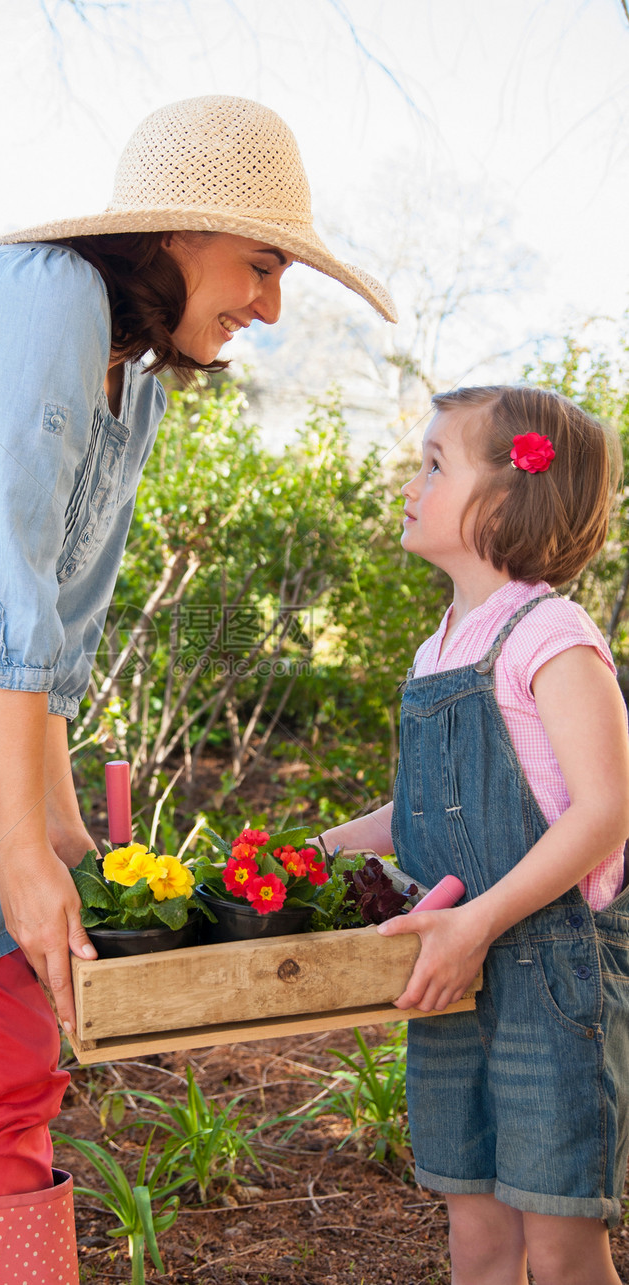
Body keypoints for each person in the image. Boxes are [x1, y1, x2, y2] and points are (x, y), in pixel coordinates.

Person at [0, 95, 395, 1285]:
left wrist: (63, 851)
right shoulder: (36, 297)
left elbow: (46, 640)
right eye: (259, 265)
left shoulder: (135, 383)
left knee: (9, 1068)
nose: (269, 305)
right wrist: (20, 859)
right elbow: (2, 599)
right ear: (175, 235)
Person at [319, 385, 629, 1285]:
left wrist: (478, 921)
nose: (409, 480)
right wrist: (310, 850)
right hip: (454, 976)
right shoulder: (437, 649)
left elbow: (606, 810)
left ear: (509, 492)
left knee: (563, 1243)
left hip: (551, 975)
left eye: (433, 463)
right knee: (479, 1234)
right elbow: (417, 806)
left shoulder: (552, 635)